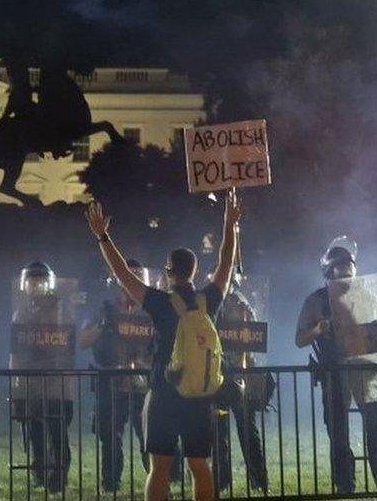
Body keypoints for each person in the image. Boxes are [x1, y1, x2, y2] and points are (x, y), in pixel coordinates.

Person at [85, 189, 241, 501]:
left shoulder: (159, 303)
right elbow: (226, 261)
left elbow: (122, 275)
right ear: (195, 272)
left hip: (164, 393)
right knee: (200, 467)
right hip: (200, 395)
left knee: (160, 469)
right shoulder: (209, 299)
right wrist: (229, 224)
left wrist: (103, 237)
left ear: (167, 272)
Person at [295, 238, 377, 494]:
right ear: (329, 273)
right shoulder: (317, 301)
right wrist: (318, 329)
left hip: (367, 371)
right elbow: (299, 339)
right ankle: (345, 484)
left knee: (376, 429)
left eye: (350, 276)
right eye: (341, 276)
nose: (347, 282)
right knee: (338, 433)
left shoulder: (367, 296)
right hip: (335, 373)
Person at [78, 260, 153, 492]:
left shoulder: (151, 310)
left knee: (149, 437)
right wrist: (103, 326)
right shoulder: (105, 309)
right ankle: (111, 482)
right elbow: (82, 340)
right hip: (111, 382)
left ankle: (160, 481)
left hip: (144, 384)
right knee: (110, 436)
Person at [9, 261, 75, 492]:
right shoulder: (22, 313)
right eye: (32, 283)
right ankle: (39, 471)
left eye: (40, 283)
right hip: (31, 381)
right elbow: (15, 350)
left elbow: (67, 347)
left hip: (56, 382)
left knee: (57, 430)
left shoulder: (60, 310)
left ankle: (59, 474)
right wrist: (16, 381)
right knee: (34, 428)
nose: (36, 288)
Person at [213, 271, 268, 493]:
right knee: (231, 430)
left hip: (232, 378)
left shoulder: (239, 306)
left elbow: (253, 340)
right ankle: (248, 480)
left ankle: (231, 479)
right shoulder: (227, 305)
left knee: (234, 429)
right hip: (227, 378)